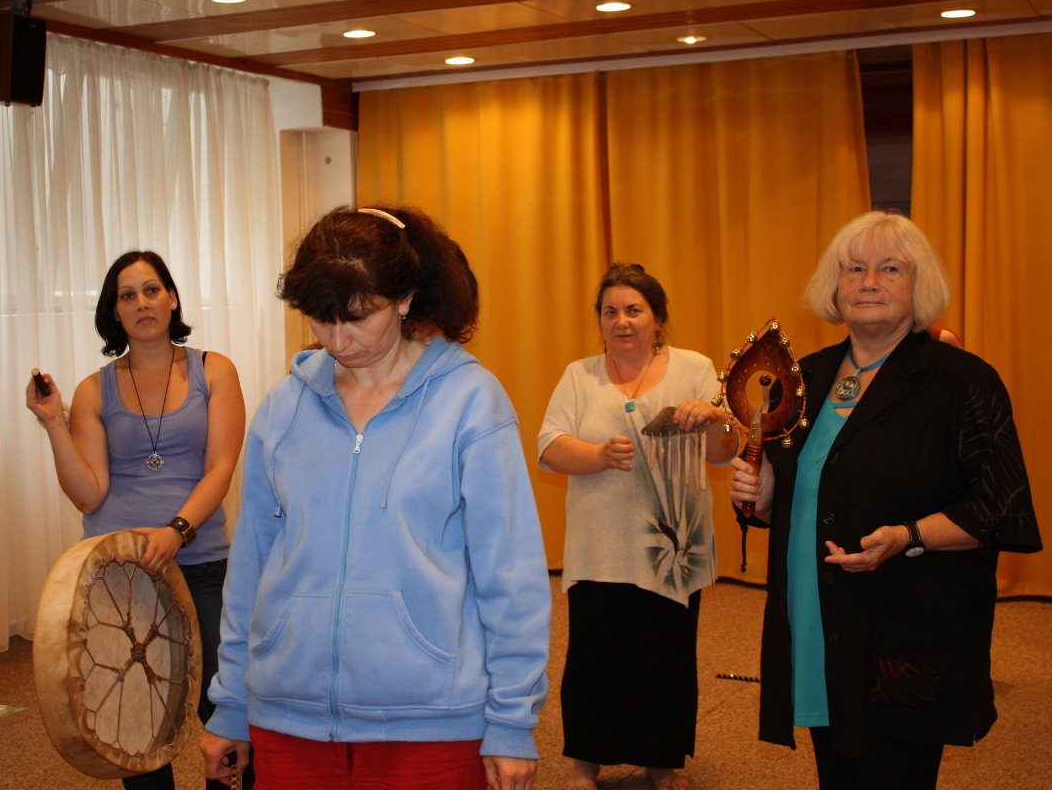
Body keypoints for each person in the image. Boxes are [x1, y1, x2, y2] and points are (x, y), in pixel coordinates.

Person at [198, 206, 551, 790]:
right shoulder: (283, 409)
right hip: (289, 717)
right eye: (322, 319)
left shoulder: (470, 401)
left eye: (359, 317)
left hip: (431, 722)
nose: (338, 341)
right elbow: (252, 569)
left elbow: (510, 574)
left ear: (406, 299)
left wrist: (512, 720)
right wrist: (231, 703)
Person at [728, 210, 1042, 789]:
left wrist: (909, 537)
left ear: (920, 285)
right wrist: (765, 496)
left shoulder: (963, 381)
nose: (869, 282)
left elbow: (1001, 506)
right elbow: (795, 498)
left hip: (907, 623)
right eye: (854, 269)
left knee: (896, 771)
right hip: (818, 614)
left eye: (890, 269)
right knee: (836, 772)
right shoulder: (805, 379)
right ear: (834, 287)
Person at [27, 250, 251, 790]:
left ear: (171, 298)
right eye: (127, 296)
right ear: (115, 312)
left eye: (151, 290)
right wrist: (54, 424)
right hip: (121, 569)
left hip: (198, 559)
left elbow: (221, 469)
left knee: (223, 703)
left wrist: (177, 532)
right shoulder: (92, 390)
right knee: (137, 714)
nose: (142, 303)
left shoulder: (214, 371)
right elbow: (89, 495)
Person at [537, 263, 739, 790]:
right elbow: (550, 447)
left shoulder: (695, 368)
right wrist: (598, 455)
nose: (621, 321)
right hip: (600, 546)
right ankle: (585, 764)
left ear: (657, 318)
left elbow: (723, 454)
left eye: (633, 310)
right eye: (610, 312)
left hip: (673, 549)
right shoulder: (579, 375)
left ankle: (663, 761)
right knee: (593, 658)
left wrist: (716, 418)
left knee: (666, 658)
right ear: (600, 320)